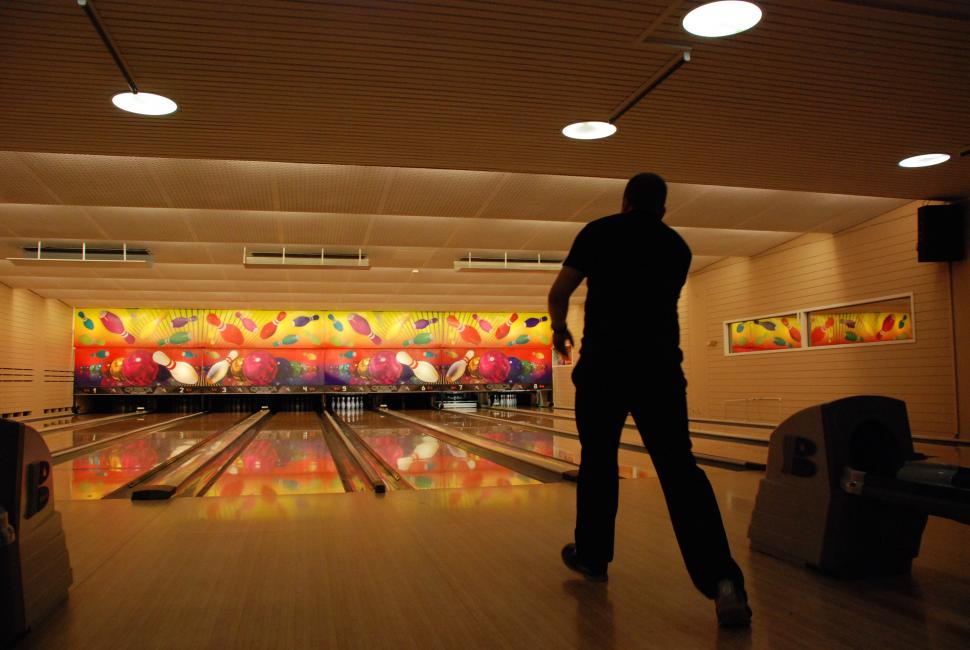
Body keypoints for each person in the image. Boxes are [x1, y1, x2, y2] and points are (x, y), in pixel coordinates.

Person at [547, 172, 752, 628]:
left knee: (599, 463)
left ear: (625, 200)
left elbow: (559, 292)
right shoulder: (677, 247)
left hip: (603, 369)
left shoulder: (598, 231)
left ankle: (593, 557)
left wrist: (559, 330)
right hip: (659, 371)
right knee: (680, 471)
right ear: (663, 208)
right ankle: (723, 581)